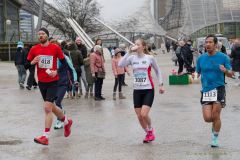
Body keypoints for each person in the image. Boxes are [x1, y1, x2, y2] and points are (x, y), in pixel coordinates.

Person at [25, 27, 73, 145]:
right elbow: (26, 65)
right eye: (39, 34)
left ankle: (45, 136)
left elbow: (65, 64)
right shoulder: (34, 49)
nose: (40, 35)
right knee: (52, 107)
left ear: (47, 35)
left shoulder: (55, 48)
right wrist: (32, 62)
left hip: (53, 81)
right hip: (42, 82)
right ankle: (67, 122)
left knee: (47, 108)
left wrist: (56, 71)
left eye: (43, 34)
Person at [119, 38, 165, 143]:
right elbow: (120, 64)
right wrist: (128, 52)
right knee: (139, 116)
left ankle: (151, 128)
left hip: (148, 89)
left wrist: (161, 85)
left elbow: (158, 71)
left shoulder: (150, 58)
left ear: (143, 47)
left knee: (144, 114)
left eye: (138, 44)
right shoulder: (132, 58)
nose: (136, 46)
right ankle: (148, 133)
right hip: (137, 90)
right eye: (135, 44)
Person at [196, 35, 233, 147]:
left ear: (215, 44)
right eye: (206, 42)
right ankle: (215, 125)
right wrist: (194, 76)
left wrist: (225, 70)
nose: (207, 44)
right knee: (208, 118)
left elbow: (231, 74)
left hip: (219, 88)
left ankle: (215, 138)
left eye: (210, 42)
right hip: (206, 90)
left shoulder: (223, 57)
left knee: (215, 115)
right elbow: (197, 73)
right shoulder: (201, 58)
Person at [49, 39, 77, 129]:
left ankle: (59, 121)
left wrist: (75, 80)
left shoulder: (64, 57)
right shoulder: (49, 57)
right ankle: (62, 114)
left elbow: (72, 69)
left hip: (62, 83)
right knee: (53, 103)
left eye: (55, 46)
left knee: (57, 102)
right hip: (52, 83)